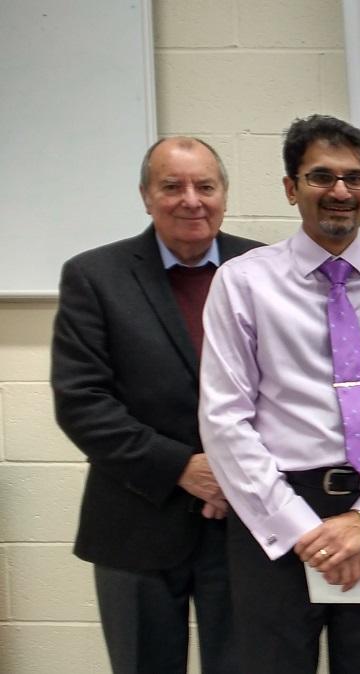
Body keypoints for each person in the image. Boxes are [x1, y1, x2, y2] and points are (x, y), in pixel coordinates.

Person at [198, 114, 360, 673]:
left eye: (355, 179)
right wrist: (302, 529)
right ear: (291, 188)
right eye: (321, 177)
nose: (340, 192)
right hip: (276, 520)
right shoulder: (243, 282)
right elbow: (224, 420)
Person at [51, 136, 261, 673]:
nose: (191, 199)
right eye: (172, 186)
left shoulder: (264, 269)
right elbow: (82, 402)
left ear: (224, 195)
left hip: (246, 526)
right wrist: (183, 469)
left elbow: (298, 391)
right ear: (146, 196)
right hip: (135, 522)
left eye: (205, 186)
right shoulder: (95, 276)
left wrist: (238, 474)